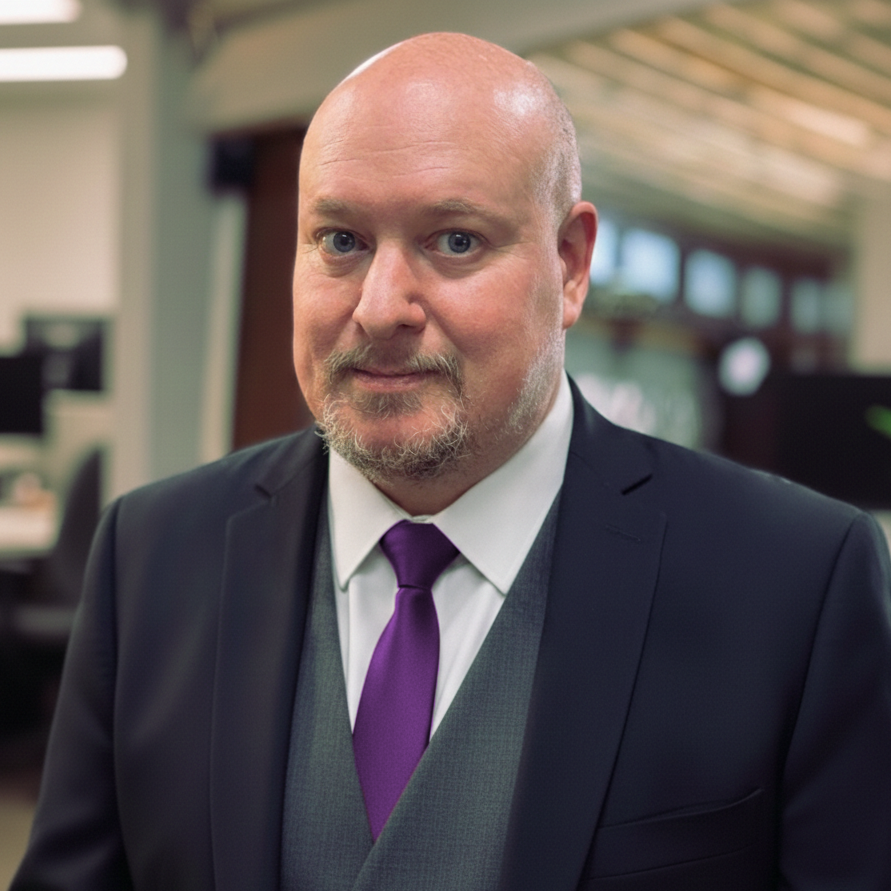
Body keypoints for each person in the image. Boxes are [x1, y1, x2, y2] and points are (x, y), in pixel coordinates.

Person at [11, 32, 891, 891]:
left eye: (455, 240)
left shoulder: (793, 583)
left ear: (570, 264)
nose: (380, 307)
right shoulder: (156, 551)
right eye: (340, 240)